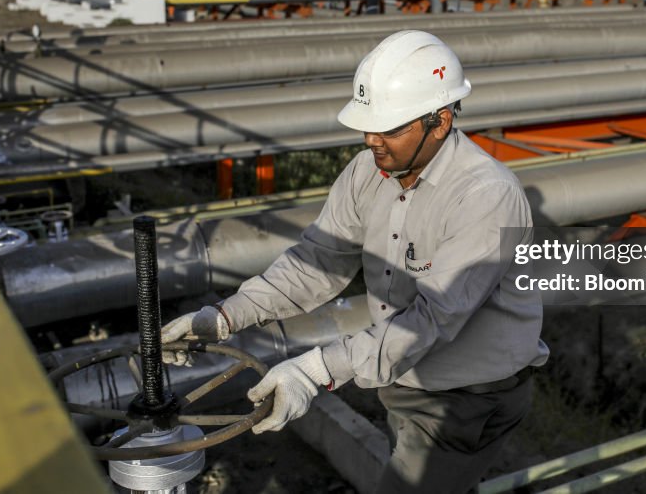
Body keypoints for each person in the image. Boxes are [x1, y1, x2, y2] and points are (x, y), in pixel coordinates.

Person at [162, 30, 548, 493]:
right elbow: (316, 263)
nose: (372, 140)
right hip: (406, 377)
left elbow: (431, 320)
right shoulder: (370, 172)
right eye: (369, 126)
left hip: (468, 398)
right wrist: (224, 317)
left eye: (390, 128)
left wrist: (314, 370)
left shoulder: (485, 196)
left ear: (440, 121)